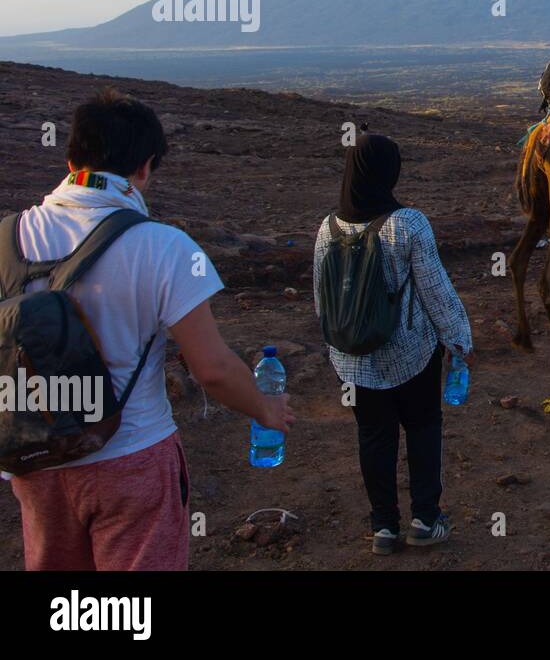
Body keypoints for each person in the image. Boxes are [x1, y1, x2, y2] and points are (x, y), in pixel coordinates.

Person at [3, 89, 294, 571]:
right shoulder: (164, 246)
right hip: (131, 454)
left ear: (71, 155)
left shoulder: (6, 237)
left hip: (33, 457)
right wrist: (265, 409)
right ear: (143, 168)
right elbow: (213, 368)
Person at [313, 129, 473, 555]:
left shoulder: (327, 228)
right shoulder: (408, 224)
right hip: (411, 355)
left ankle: (383, 528)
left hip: (354, 362)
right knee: (423, 428)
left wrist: (339, 348)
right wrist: (459, 340)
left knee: (373, 436)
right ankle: (425, 519)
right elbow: (437, 293)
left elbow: (322, 300)